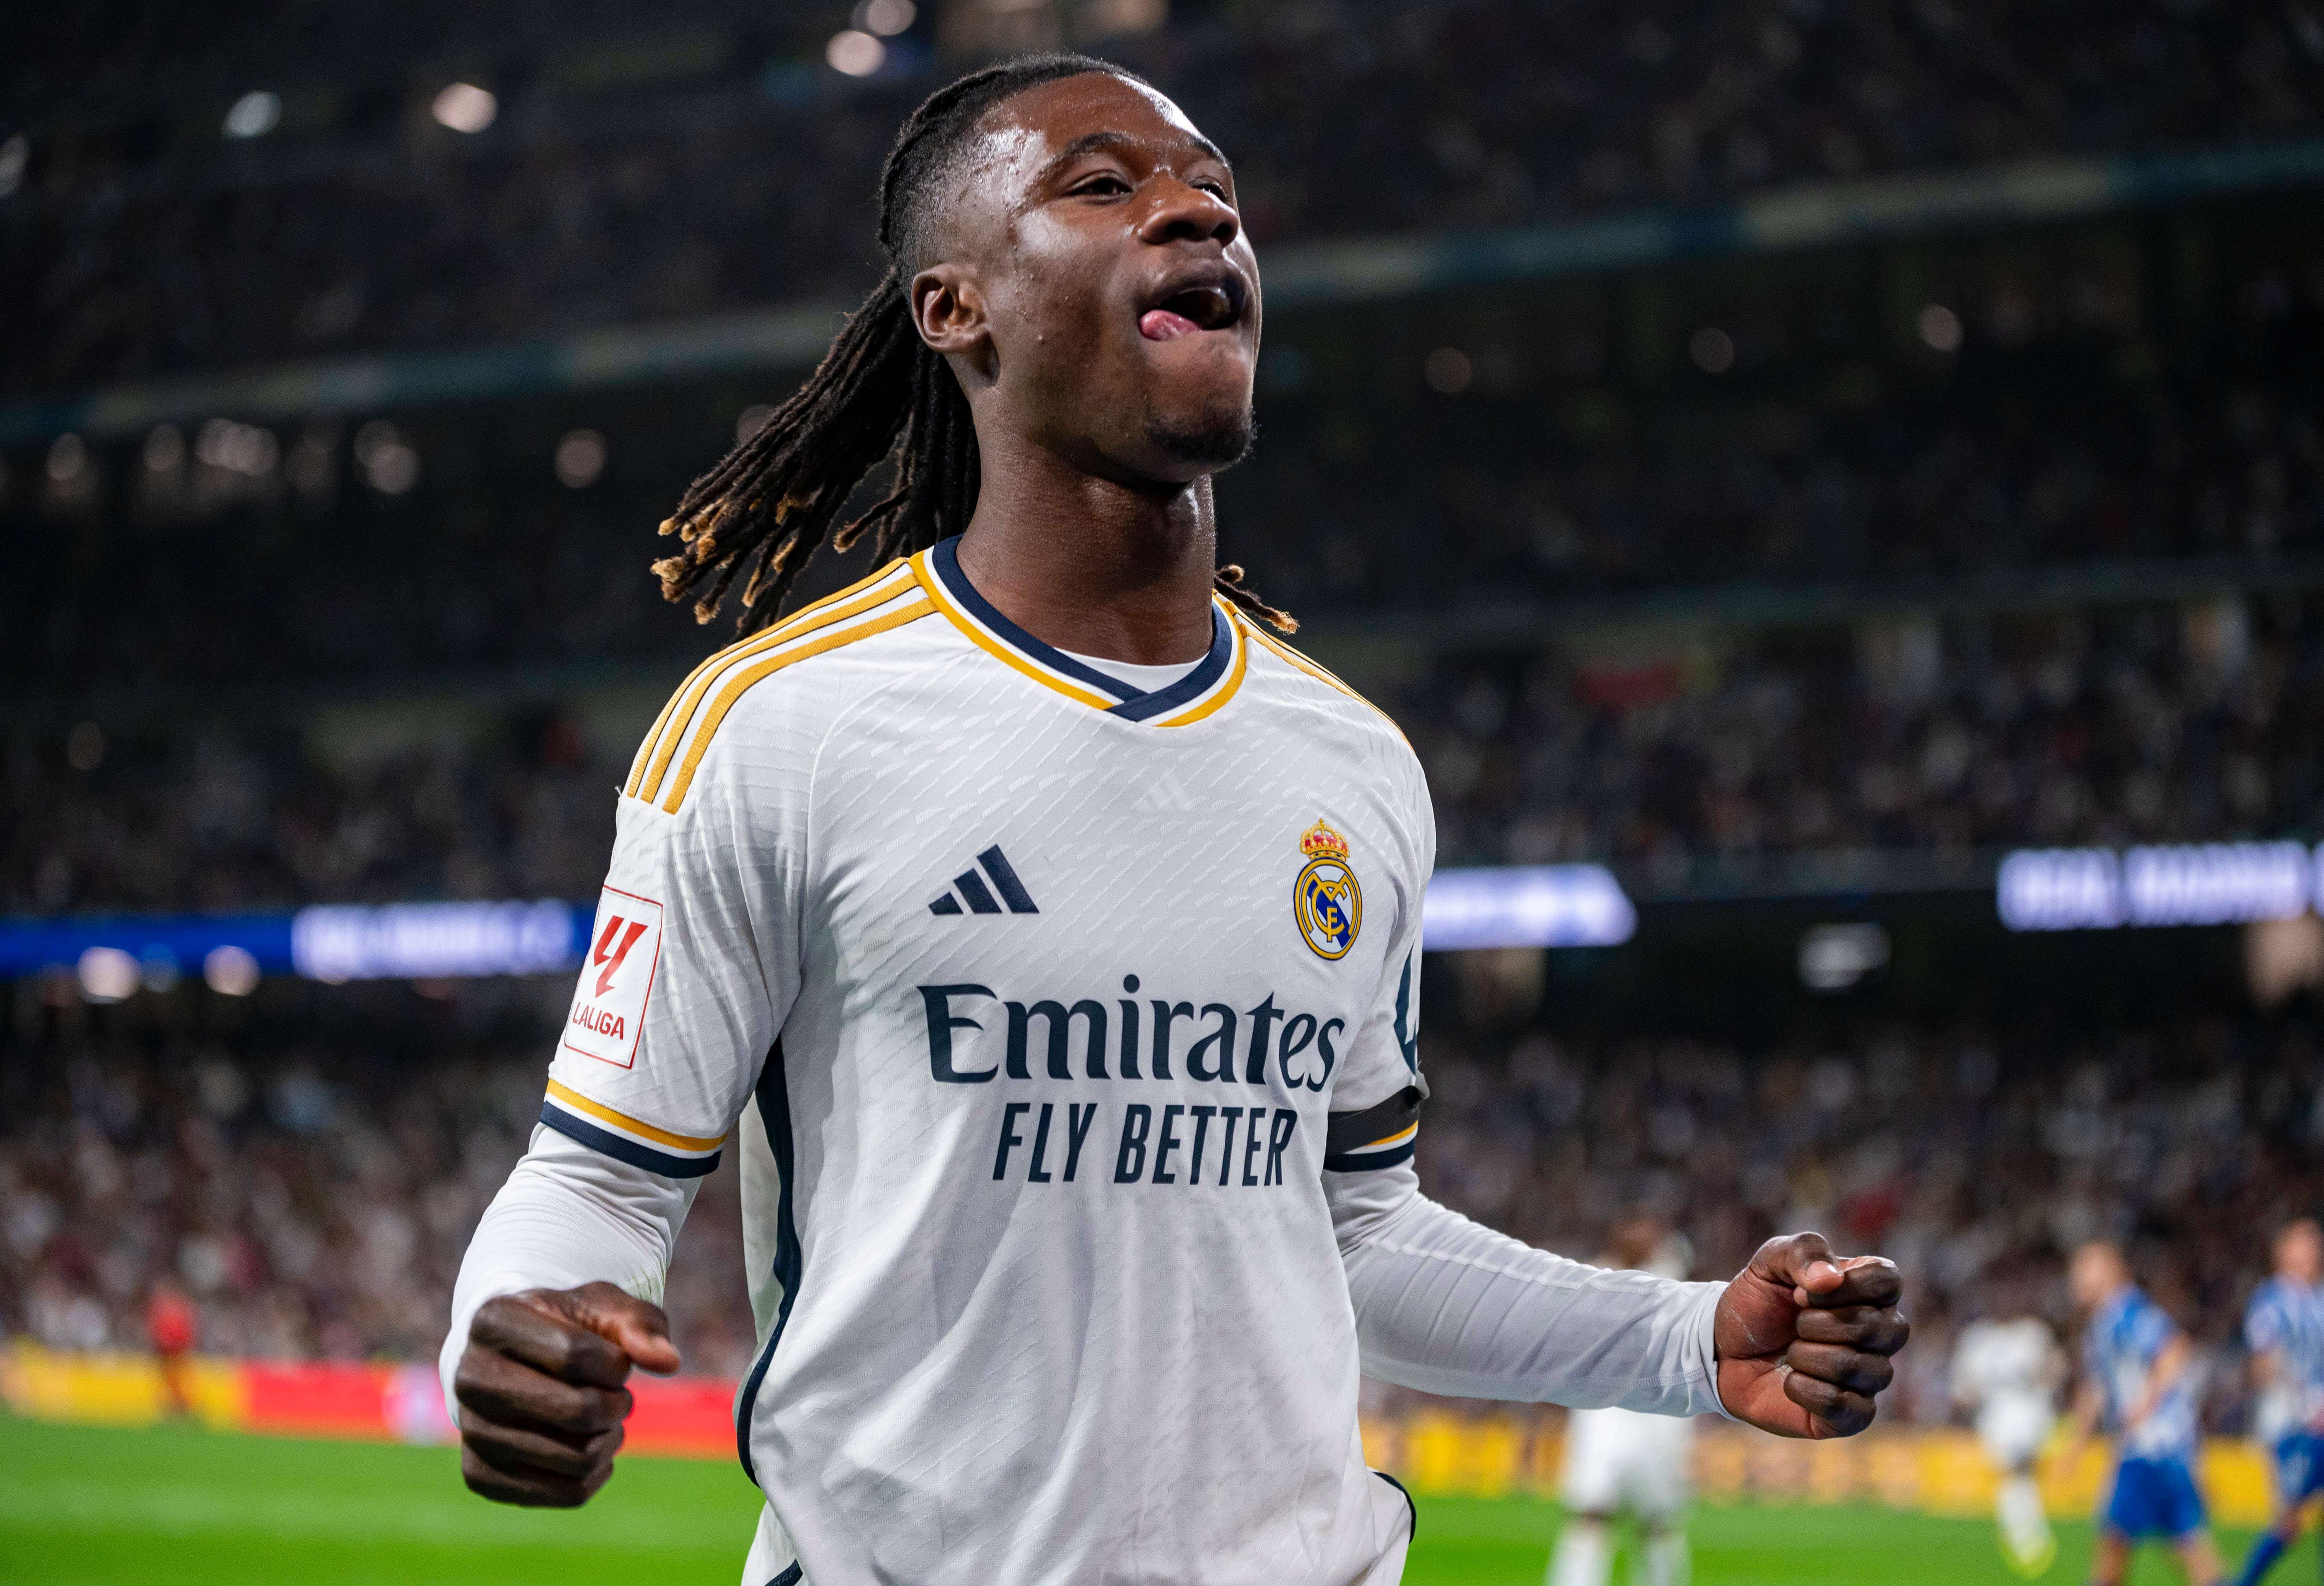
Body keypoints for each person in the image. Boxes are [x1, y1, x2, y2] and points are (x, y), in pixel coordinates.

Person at [439, 55, 1910, 1586]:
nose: (1197, 209)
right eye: (1103, 182)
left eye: (1216, 185)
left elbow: (1352, 1228)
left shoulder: (1351, 766)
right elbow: (601, 1173)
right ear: (958, 310)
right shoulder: (779, 728)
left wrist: (1688, 1337)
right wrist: (521, 1312)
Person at [1547, 1216, 1700, 1586]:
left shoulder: (1673, 1278)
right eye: (1635, 1228)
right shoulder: (1593, 1277)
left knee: (1660, 1521)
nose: (1643, 1237)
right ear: (1617, 1235)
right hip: (1603, 1415)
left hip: (1662, 1419)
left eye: (1651, 1231)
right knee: (1590, 1512)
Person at [2060, 1242, 2223, 1586]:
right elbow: (2097, 1390)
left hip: (2154, 1446)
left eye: (2086, 1268)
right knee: (2180, 1546)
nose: (2076, 1277)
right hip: (2151, 1448)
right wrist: (2075, 1447)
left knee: (2121, 1546)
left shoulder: (2128, 1312)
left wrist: (2144, 1404)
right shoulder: (2102, 1324)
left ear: (2111, 1272)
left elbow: (2175, 1350)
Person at [2236, 1219, 2324, 1586]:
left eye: (2315, 1244)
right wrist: (2306, 1401)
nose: (2311, 1251)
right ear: (2283, 1253)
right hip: (2292, 1422)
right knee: (2290, 1521)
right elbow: (2262, 1363)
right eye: (2302, 1244)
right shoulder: (2270, 1301)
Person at [1950, 1273, 2064, 1578]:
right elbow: (1963, 1390)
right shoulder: (1977, 1338)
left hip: (2030, 1412)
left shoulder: (2033, 1333)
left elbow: (2056, 1370)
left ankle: (2025, 1536)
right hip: (1995, 1417)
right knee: (2013, 1477)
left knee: (2018, 1471)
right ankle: (2023, 1532)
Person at [146, 1279, 197, 1421]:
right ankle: (174, 1408)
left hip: (177, 1351)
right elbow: (157, 1331)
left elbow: (187, 1331)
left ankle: (181, 1407)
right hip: (167, 1352)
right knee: (170, 1380)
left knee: (178, 1380)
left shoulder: (178, 1309)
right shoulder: (168, 1310)